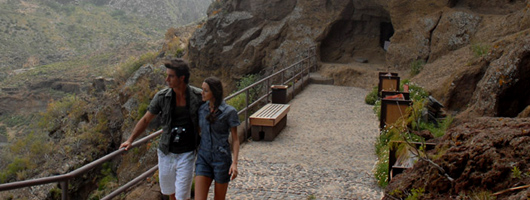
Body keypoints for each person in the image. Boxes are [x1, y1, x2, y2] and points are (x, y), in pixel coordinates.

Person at [119, 58, 203, 200]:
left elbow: (214, 114)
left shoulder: (198, 96)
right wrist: (130, 140)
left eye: (171, 76)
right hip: (166, 152)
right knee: (171, 192)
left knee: (183, 194)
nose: (166, 79)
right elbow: (146, 119)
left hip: (187, 152)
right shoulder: (162, 97)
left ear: (182, 78)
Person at [194, 76, 240, 200]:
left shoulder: (229, 112)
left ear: (214, 92)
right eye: (202, 89)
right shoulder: (201, 110)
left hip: (221, 159)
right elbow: (198, 131)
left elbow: (235, 139)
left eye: (205, 90)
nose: (201, 93)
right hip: (203, 157)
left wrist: (234, 163)